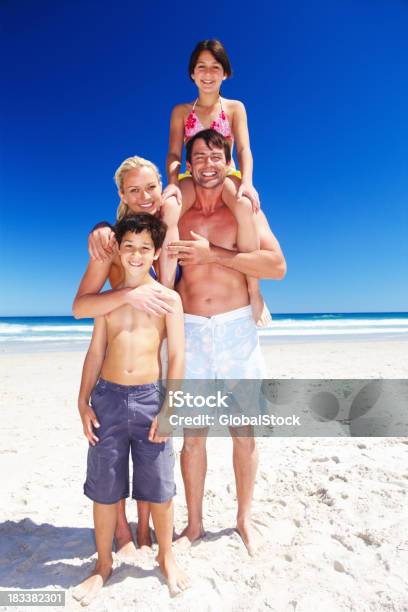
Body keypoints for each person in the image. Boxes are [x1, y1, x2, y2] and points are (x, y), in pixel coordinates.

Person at [166, 129, 286, 555]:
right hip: (193, 331)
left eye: (216, 155)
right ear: (190, 164)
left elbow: (277, 265)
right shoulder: (177, 212)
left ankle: (243, 520)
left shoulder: (245, 210)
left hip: (237, 330)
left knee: (244, 433)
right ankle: (195, 524)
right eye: (199, 156)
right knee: (193, 436)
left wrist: (213, 253)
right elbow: (138, 233)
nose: (208, 163)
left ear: (227, 161)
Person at [73, 214, 189, 605]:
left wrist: (170, 407)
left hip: (149, 399)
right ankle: (103, 565)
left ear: (156, 253)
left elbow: (176, 359)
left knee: (159, 485)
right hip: (107, 397)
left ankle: (166, 556)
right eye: (129, 248)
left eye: (145, 249)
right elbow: (95, 352)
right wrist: (82, 399)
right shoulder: (108, 299)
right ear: (118, 253)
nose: (136, 255)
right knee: (105, 488)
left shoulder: (169, 299)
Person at [163, 39, 270, 326]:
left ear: (225, 74)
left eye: (215, 67)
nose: (208, 74)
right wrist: (173, 183)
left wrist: (247, 182)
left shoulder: (234, 107)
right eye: (201, 67)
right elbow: (174, 152)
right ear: (192, 74)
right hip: (191, 175)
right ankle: (165, 290)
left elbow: (244, 149)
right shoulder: (181, 111)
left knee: (246, 206)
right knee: (168, 210)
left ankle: (255, 291)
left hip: (226, 175)